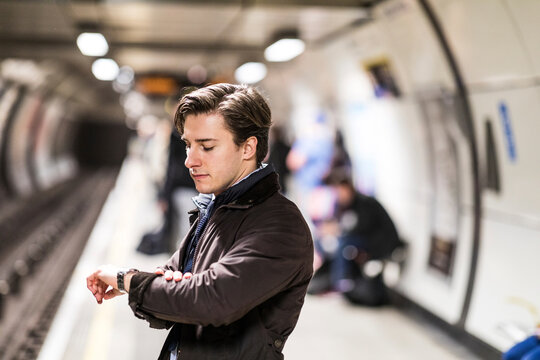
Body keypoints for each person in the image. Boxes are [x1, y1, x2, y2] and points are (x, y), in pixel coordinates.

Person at [86, 83, 314, 360]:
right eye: (188, 146)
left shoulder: (280, 226)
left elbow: (209, 301)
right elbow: (174, 289)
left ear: (248, 148)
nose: (190, 161)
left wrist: (127, 281)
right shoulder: (218, 208)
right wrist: (170, 290)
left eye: (206, 147)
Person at [308, 169, 402, 306]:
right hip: (363, 239)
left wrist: (338, 230)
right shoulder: (343, 205)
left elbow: (361, 228)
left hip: (380, 242)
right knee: (325, 241)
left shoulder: (365, 203)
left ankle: (341, 281)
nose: (340, 195)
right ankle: (334, 279)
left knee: (344, 244)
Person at [137, 128, 197, 255]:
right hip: (185, 189)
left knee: (185, 231)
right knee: (185, 232)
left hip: (185, 189)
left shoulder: (179, 133)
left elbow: (171, 165)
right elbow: (172, 165)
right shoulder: (178, 133)